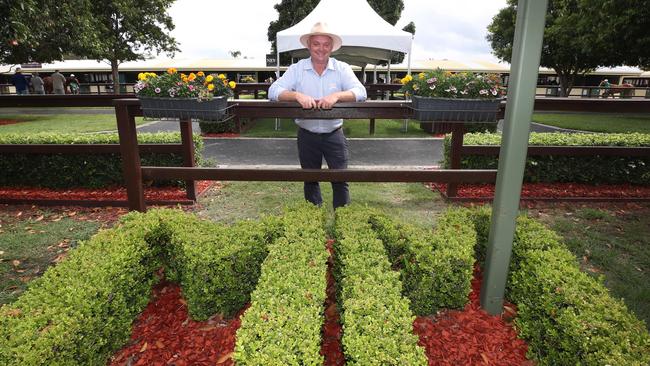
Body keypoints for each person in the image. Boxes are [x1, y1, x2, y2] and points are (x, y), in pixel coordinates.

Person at [268, 22, 367, 209]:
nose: (321, 48)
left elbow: (360, 92)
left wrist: (337, 95)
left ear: (331, 47)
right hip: (307, 134)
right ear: (309, 45)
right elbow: (273, 90)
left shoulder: (341, 68)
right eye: (316, 44)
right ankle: (313, 221)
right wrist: (296, 95)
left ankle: (343, 220)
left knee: (340, 180)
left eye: (325, 44)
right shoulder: (297, 69)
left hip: (334, 133)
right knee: (310, 180)